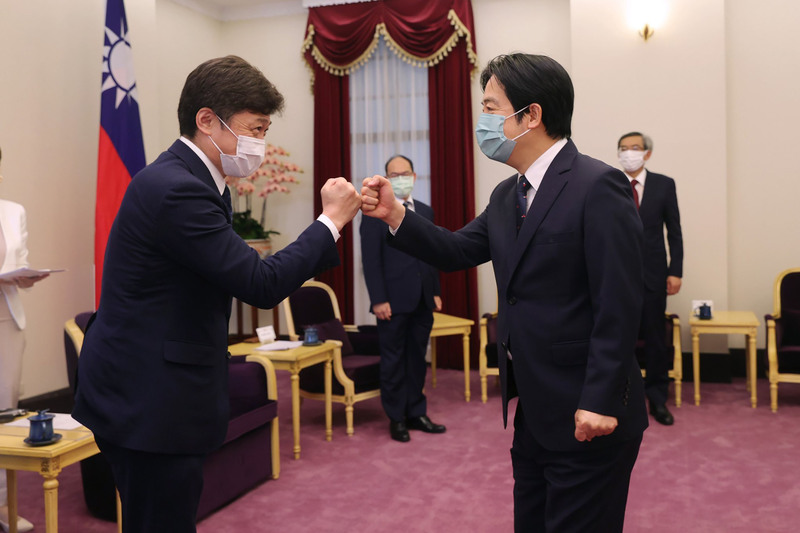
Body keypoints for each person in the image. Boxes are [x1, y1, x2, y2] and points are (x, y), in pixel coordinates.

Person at [71, 55, 361, 533]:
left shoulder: (196, 181)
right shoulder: (177, 189)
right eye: (255, 129)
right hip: (149, 400)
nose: (260, 144)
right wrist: (330, 222)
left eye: (265, 131)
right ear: (206, 120)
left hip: (150, 389)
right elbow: (260, 284)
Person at [362, 53, 648, 532]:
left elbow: (618, 304)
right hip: (534, 409)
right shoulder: (506, 195)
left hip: (588, 408)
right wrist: (395, 215)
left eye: (491, 107)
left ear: (530, 115)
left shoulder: (598, 185)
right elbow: (455, 250)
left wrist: (599, 399)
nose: (483, 119)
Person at [360, 154, 445, 443]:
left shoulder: (425, 211)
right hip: (391, 301)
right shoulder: (374, 213)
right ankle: (396, 418)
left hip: (422, 298)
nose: (400, 179)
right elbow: (370, 260)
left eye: (405, 173)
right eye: (394, 175)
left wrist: (435, 291)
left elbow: (433, 252)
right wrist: (378, 299)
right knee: (393, 360)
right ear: (386, 179)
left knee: (418, 358)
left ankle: (416, 413)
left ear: (414, 176)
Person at [617, 132, 683, 426]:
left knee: (656, 339)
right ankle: (620, 397)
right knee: (618, 337)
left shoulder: (664, 184)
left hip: (654, 274)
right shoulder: (609, 182)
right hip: (617, 275)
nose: (628, 153)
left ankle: (657, 399)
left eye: (634, 148)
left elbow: (674, 231)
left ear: (647, 153)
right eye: (623, 148)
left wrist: (675, 270)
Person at [0, 146, 49, 533]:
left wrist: (26, 276)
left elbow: (19, 261)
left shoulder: (12, 211)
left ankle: (3, 506)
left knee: (4, 412)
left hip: (6, 319)